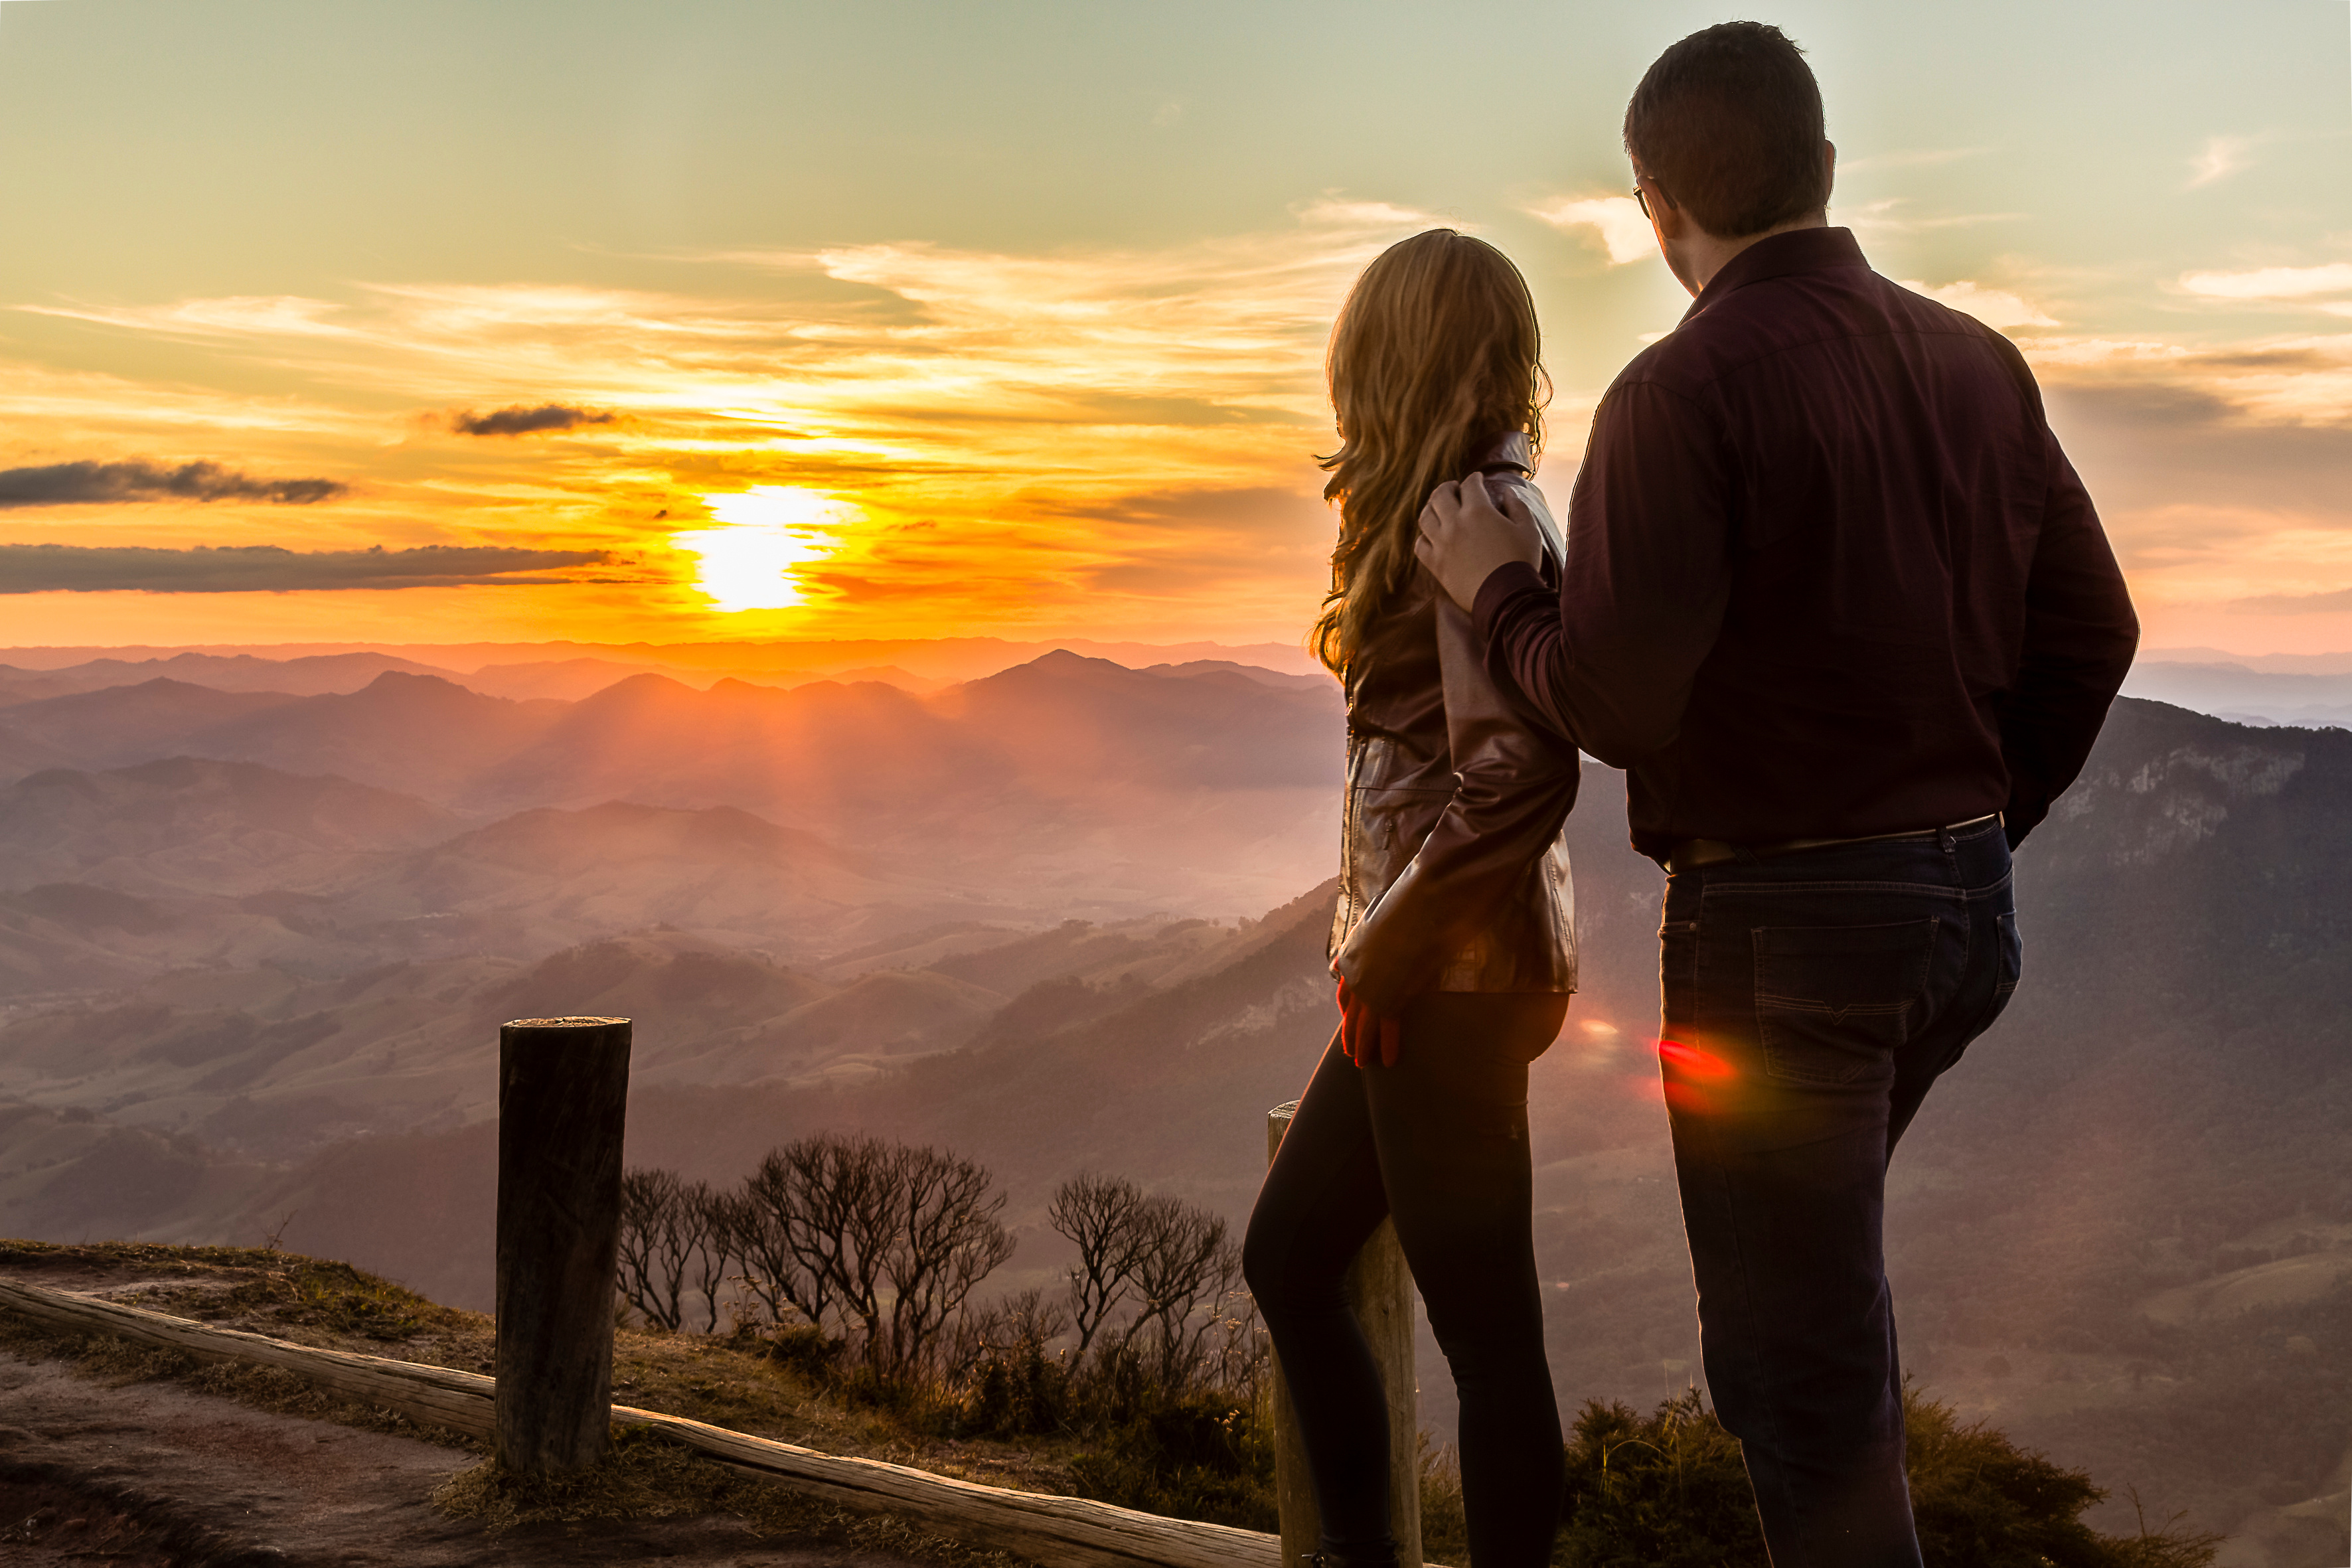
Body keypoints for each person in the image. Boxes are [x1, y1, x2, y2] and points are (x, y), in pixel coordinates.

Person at [1415, 22, 2138, 1568]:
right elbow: (2093, 632)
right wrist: (1965, 826)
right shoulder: (1977, 362)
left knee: (1791, 1380)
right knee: (1824, 1309)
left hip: (1777, 943)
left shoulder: (1679, 395)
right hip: (1958, 929)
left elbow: (1612, 700)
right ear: (1822, 165)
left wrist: (1498, 595)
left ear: (1652, 203)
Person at [1241, 229, 1582, 1568]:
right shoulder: (1462, 504)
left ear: (1390, 361)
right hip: (1437, 963)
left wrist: (1383, 953)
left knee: (1489, 1342)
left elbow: (1518, 774)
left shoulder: (1474, 520)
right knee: (1287, 1256)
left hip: (1453, 975)